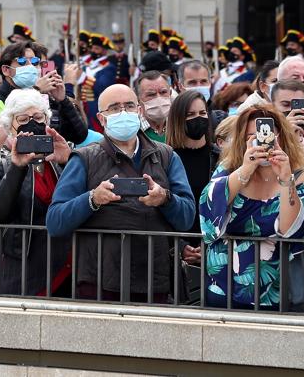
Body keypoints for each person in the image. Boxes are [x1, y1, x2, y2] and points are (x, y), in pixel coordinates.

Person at [45, 84, 197, 302]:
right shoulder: (84, 158)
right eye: (114, 108)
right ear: (101, 118)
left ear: (140, 111)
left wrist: (165, 198)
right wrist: (92, 199)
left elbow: (187, 218)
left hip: (156, 280)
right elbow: (55, 221)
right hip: (100, 281)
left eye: (129, 106)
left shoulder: (166, 156)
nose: (123, 113)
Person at [199, 104, 304, 310]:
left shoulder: (301, 178)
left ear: (280, 137)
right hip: (222, 290)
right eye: (250, 136)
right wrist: (245, 169)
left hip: (275, 292)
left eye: (266, 134)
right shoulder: (228, 172)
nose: (259, 141)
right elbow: (208, 212)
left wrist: (285, 179)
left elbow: (293, 230)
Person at [0, 88, 74, 296]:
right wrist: (17, 167)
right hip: (25, 269)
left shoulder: (62, 159)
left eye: (37, 117)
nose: (32, 124)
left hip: (67, 267)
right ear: (10, 127)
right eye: (23, 119)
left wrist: (70, 160)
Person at [166, 88, 216, 202]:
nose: (198, 118)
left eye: (202, 113)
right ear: (178, 119)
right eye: (191, 114)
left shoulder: (219, 156)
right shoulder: (167, 158)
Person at [136, 70, 175, 143]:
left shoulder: (179, 124)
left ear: (170, 93)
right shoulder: (134, 130)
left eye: (163, 92)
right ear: (138, 99)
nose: (158, 98)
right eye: (151, 94)